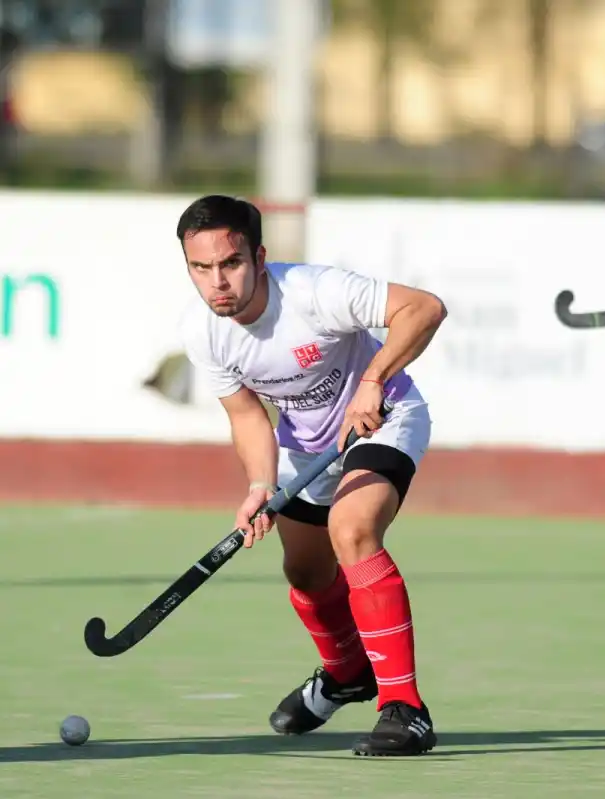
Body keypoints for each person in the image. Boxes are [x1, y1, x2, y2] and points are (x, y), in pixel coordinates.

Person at [176, 195, 448, 757]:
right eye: (200, 268)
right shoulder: (203, 331)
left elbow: (424, 308)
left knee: (352, 530)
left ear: (259, 257)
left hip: (383, 420)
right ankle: (347, 672)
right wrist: (259, 486)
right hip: (306, 441)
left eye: (230, 263)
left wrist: (372, 380)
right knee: (304, 571)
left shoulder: (314, 292)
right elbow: (248, 415)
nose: (217, 282)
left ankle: (404, 708)